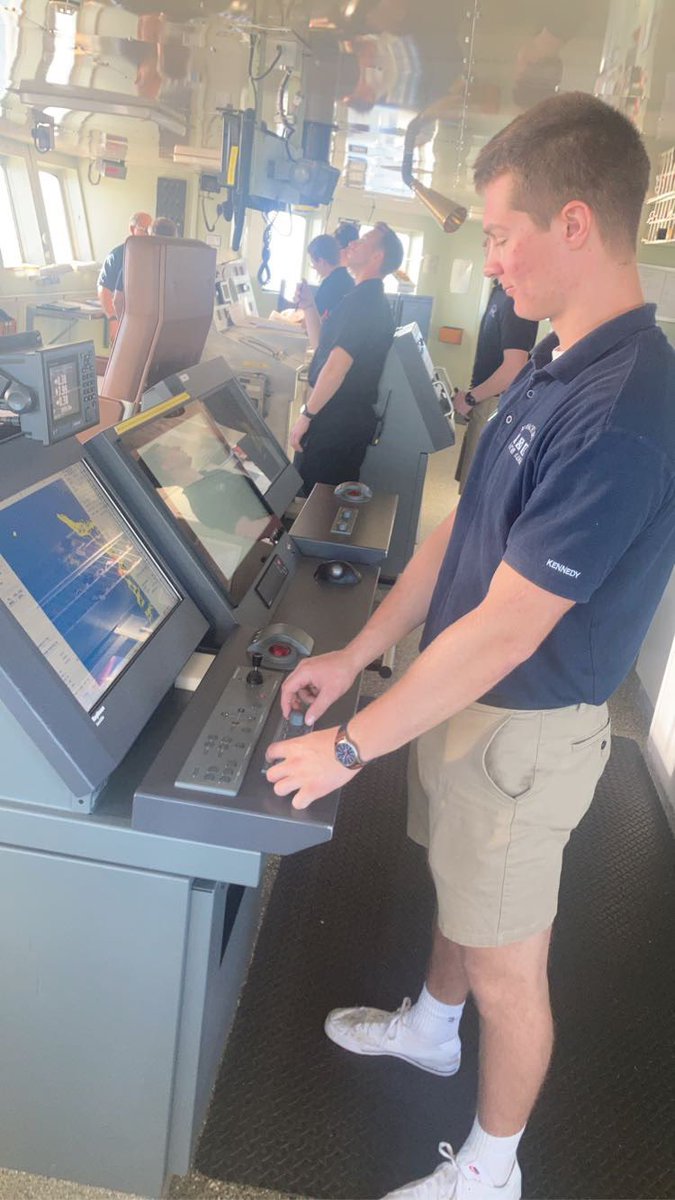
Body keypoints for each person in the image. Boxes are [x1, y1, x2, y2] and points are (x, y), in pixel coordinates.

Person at [265, 92, 675, 1200]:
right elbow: (462, 528)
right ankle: (430, 1032)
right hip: (460, 701)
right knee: (457, 895)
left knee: (509, 962)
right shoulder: (555, 363)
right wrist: (359, 659)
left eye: (500, 234)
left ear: (575, 224)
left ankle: (492, 1172)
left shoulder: (628, 404)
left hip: (522, 730)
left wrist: (350, 747)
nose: (487, 258)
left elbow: (507, 627)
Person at [290, 222, 404, 496]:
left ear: (377, 257)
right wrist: (308, 306)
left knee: (314, 505)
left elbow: (336, 369)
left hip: (336, 421)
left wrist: (307, 415)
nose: (352, 243)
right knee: (312, 498)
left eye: (363, 241)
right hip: (336, 415)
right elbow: (323, 350)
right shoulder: (358, 296)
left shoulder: (364, 303)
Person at [453, 278, 538, 492]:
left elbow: (513, 369)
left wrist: (472, 397)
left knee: (477, 492)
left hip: (494, 404)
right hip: (484, 400)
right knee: (469, 486)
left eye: (497, 243)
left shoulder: (514, 298)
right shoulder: (499, 293)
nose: (489, 260)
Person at [294, 233, 355, 350]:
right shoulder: (348, 279)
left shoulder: (330, 285)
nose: (314, 267)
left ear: (321, 261)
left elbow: (307, 325)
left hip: (327, 347)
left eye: (313, 263)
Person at [97, 211, 152, 337]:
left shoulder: (154, 255)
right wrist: (112, 319)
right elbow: (104, 288)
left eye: (151, 231)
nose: (150, 236)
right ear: (132, 229)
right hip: (125, 321)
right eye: (146, 231)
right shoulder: (117, 255)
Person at [112, 215, 177, 319]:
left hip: (139, 326)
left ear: (150, 236)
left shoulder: (134, 263)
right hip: (172, 326)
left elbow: (117, 301)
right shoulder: (181, 266)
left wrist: (123, 325)